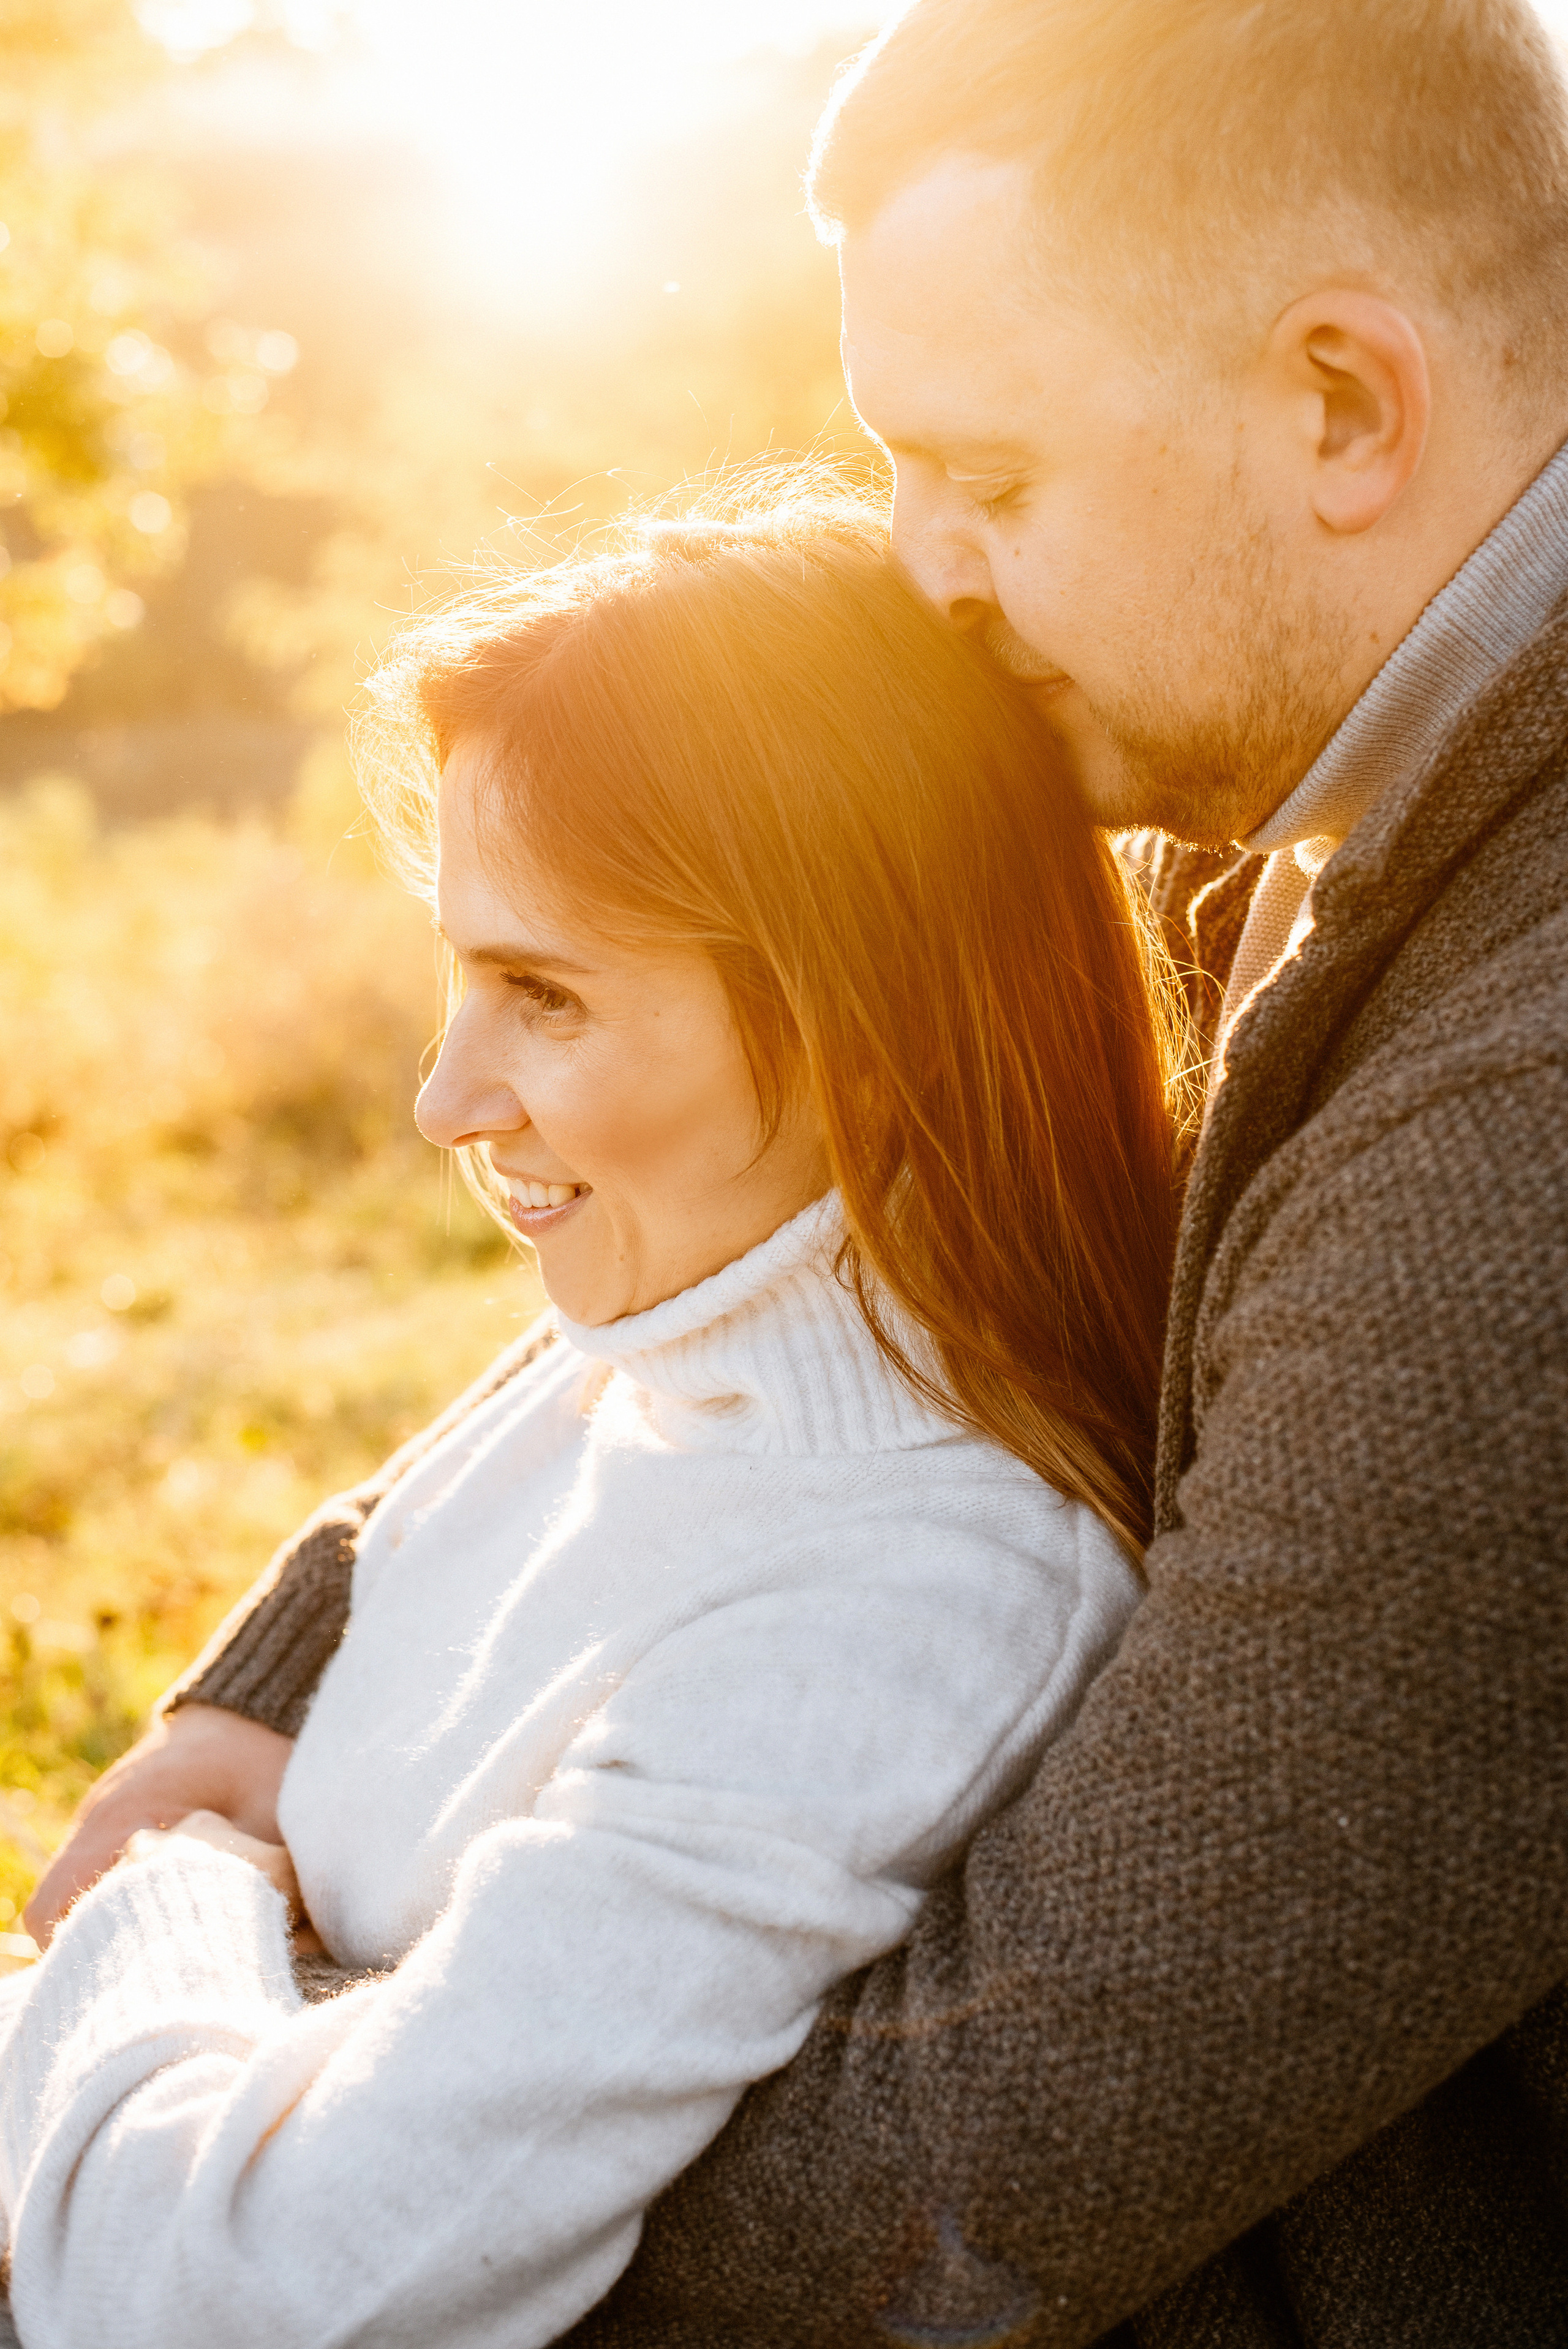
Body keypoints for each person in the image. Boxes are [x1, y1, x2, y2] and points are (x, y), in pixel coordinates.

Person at [25, 0, 1568, 2340]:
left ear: (1344, 405)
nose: (921, 570)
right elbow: (756, 1272)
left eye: (989, 476)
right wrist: (280, 1671)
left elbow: (966, 2179)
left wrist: (314, 2025)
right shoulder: (1295, 799)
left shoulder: (1514, 1150)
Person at [0, 502, 1185, 2347]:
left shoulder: (906, 1608)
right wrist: (240, 1749)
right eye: (459, 974)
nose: (442, 1097)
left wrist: (183, 1895)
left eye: (541, 995)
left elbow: (247, 2293)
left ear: (862, 1021)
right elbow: (406, 1531)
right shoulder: (686, 1318)